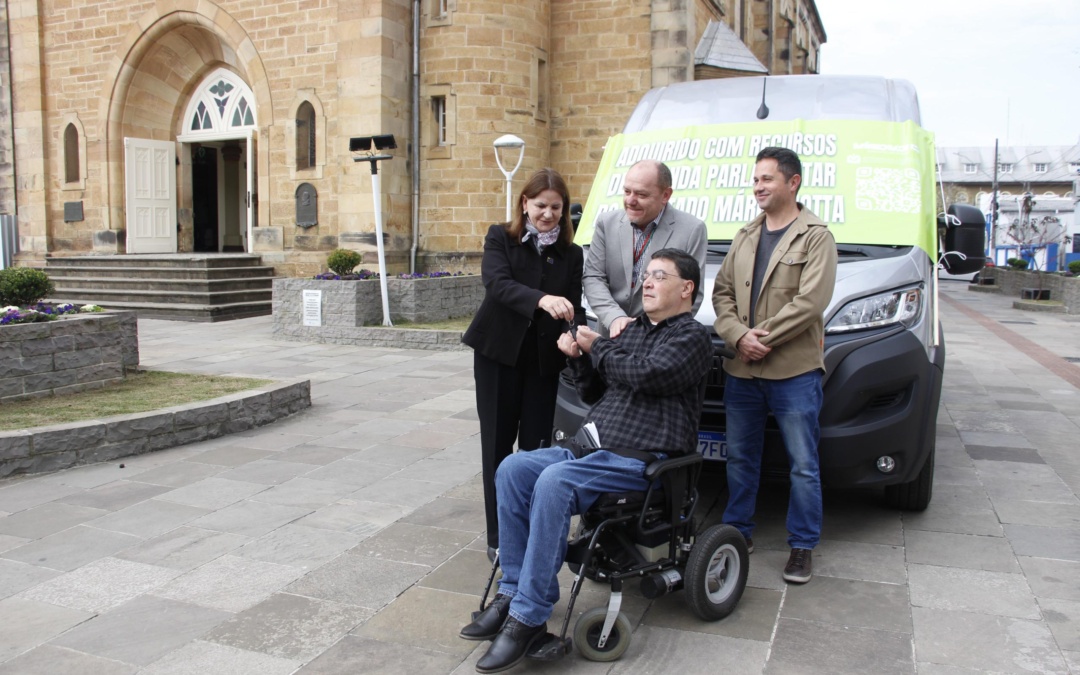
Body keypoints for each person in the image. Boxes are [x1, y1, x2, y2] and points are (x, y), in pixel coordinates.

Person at [459, 249, 712, 674]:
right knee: (513, 469)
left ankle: (530, 616)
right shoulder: (631, 333)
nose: (647, 282)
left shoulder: (690, 337)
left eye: (659, 276)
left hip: (640, 459)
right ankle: (512, 591)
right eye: (645, 275)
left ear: (686, 288)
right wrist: (579, 360)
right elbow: (597, 393)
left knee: (555, 481)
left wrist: (599, 348)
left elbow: (647, 375)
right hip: (592, 448)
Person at [712, 146, 837, 584]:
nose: (758, 187)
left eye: (767, 179)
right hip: (742, 370)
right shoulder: (746, 235)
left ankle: (802, 546)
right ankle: (738, 532)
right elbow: (722, 294)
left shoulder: (817, 235)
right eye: (756, 180)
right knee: (740, 458)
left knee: (803, 464)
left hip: (794, 373)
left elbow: (811, 302)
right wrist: (737, 336)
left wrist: (759, 338)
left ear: (793, 182)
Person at [461, 168, 584, 559]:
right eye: (540, 205)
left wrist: (574, 335)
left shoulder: (571, 253)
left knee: (535, 453)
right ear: (525, 204)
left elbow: (574, 307)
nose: (547, 214)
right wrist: (541, 299)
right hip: (498, 356)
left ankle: (531, 530)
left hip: (543, 365)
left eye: (555, 208)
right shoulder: (502, 237)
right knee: (496, 445)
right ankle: (498, 538)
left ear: (564, 212)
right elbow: (496, 284)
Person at [582, 159, 708, 338]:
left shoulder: (692, 230)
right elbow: (593, 277)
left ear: (665, 195)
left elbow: (691, 295)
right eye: (627, 191)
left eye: (641, 194)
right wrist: (615, 318)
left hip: (660, 343)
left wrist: (653, 333)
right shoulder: (606, 223)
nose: (630, 201)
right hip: (611, 338)